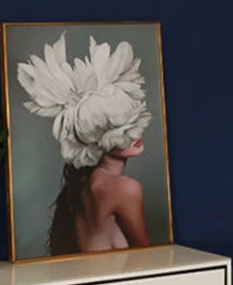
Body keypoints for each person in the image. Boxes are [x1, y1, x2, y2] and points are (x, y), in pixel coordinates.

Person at [17, 32, 153, 255]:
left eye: (134, 119)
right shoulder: (125, 189)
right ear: (95, 141)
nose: (136, 132)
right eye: (119, 128)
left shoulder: (84, 186)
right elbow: (149, 260)